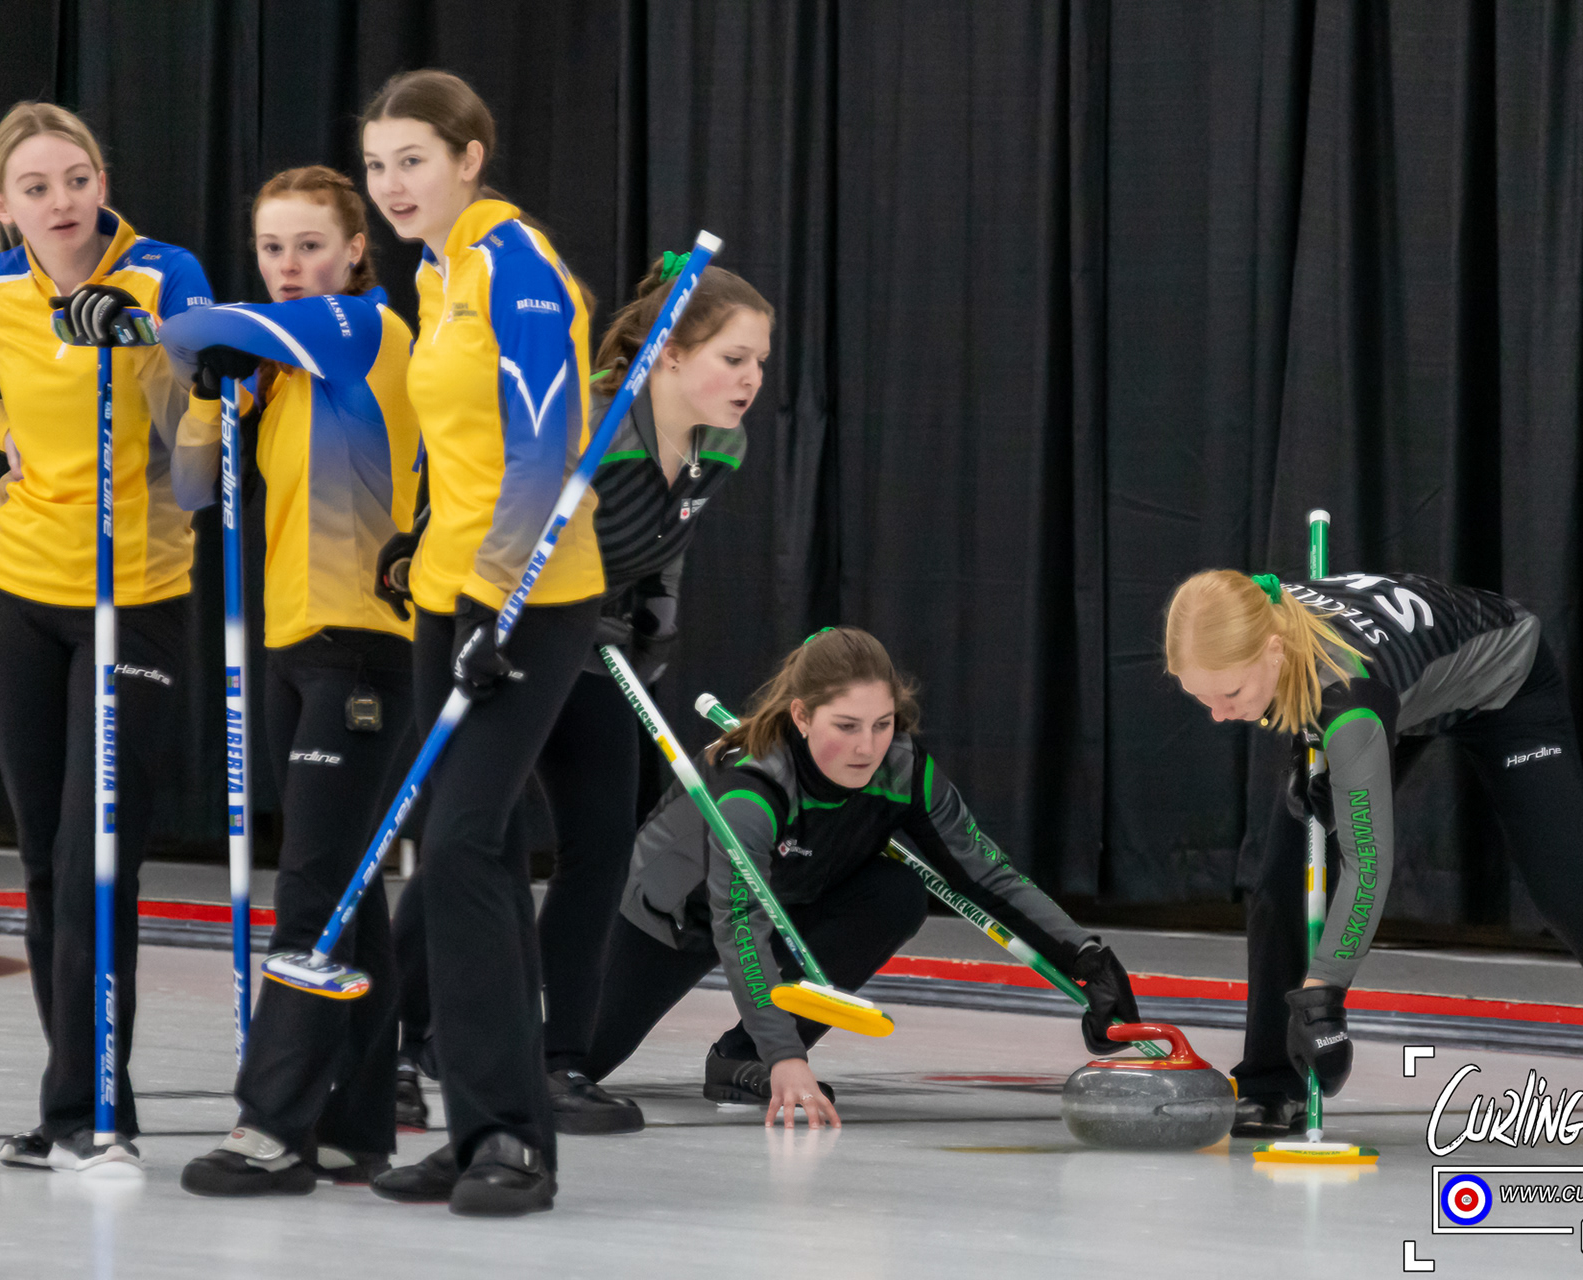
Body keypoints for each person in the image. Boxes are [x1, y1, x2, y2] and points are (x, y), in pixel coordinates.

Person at [0, 102, 213, 1172]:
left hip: (137, 594)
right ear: (3, 205)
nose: (61, 202)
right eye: (35, 188)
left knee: (95, 859)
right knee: (42, 858)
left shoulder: (164, 273)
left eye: (76, 179)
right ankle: (76, 1106)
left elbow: (202, 417)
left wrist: (160, 362)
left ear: (101, 180)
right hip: (18, 588)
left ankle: (95, 1110)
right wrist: (2, 429)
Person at [389, 254, 776, 1138]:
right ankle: (397, 1041)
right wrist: (458, 598)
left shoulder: (722, 444)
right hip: (505, 629)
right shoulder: (590, 429)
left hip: (593, 648)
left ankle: (556, 1058)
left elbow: (662, 551)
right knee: (472, 839)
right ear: (670, 355)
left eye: (760, 362)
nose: (751, 379)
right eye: (733, 358)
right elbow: (484, 502)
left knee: (603, 843)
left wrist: (652, 624)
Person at [1163, 569, 1583, 1136]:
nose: (1220, 714)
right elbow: (1304, 692)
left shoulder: (1348, 693)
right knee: (1283, 881)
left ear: (1274, 650)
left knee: (1573, 895)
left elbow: (1369, 866)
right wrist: (1306, 743)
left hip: (1503, 685)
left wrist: (1324, 997)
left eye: (1231, 694)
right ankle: (1271, 1083)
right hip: (1398, 689)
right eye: (1199, 698)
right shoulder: (1253, 617)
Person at [568, 625, 1140, 1131]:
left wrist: (1085, 958)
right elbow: (739, 923)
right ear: (801, 716)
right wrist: (787, 1056)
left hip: (797, 894)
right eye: (846, 726)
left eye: (882, 725)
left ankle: (742, 1059)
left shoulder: (904, 773)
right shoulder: (754, 787)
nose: (867, 747)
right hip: (674, 916)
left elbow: (986, 873)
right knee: (574, 1061)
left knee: (896, 893)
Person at [356, 69, 604, 1218]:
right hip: (449, 592)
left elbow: (545, 446)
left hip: (529, 598)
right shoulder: (434, 268)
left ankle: (509, 1131)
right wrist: (424, 547)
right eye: (377, 165)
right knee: (479, 857)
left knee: (457, 847)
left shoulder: (515, 263)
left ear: (470, 155)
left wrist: (497, 599)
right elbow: (460, 441)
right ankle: (486, 1129)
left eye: (413, 159)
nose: (392, 183)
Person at [154, 166, 422, 1196]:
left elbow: (192, 325)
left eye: (311, 245)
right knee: (347, 890)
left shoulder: (361, 327)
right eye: (273, 248)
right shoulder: (272, 367)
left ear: (356, 250)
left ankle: (270, 1125)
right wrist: (208, 393)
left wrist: (192, 341)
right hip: (294, 645)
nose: (290, 266)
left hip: (362, 644)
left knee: (314, 885)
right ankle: (360, 1126)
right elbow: (190, 486)